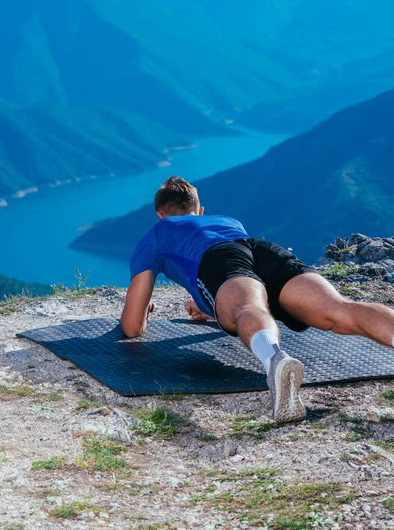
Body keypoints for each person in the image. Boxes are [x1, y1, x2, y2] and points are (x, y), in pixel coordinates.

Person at [121, 176, 394, 423]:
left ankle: (275, 360)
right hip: (260, 248)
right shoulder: (227, 221)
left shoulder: (157, 232)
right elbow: (251, 275)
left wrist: (145, 311)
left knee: (246, 308)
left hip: (218, 260)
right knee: (339, 308)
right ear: (200, 210)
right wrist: (211, 306)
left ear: (160, 215)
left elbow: (132, 327)